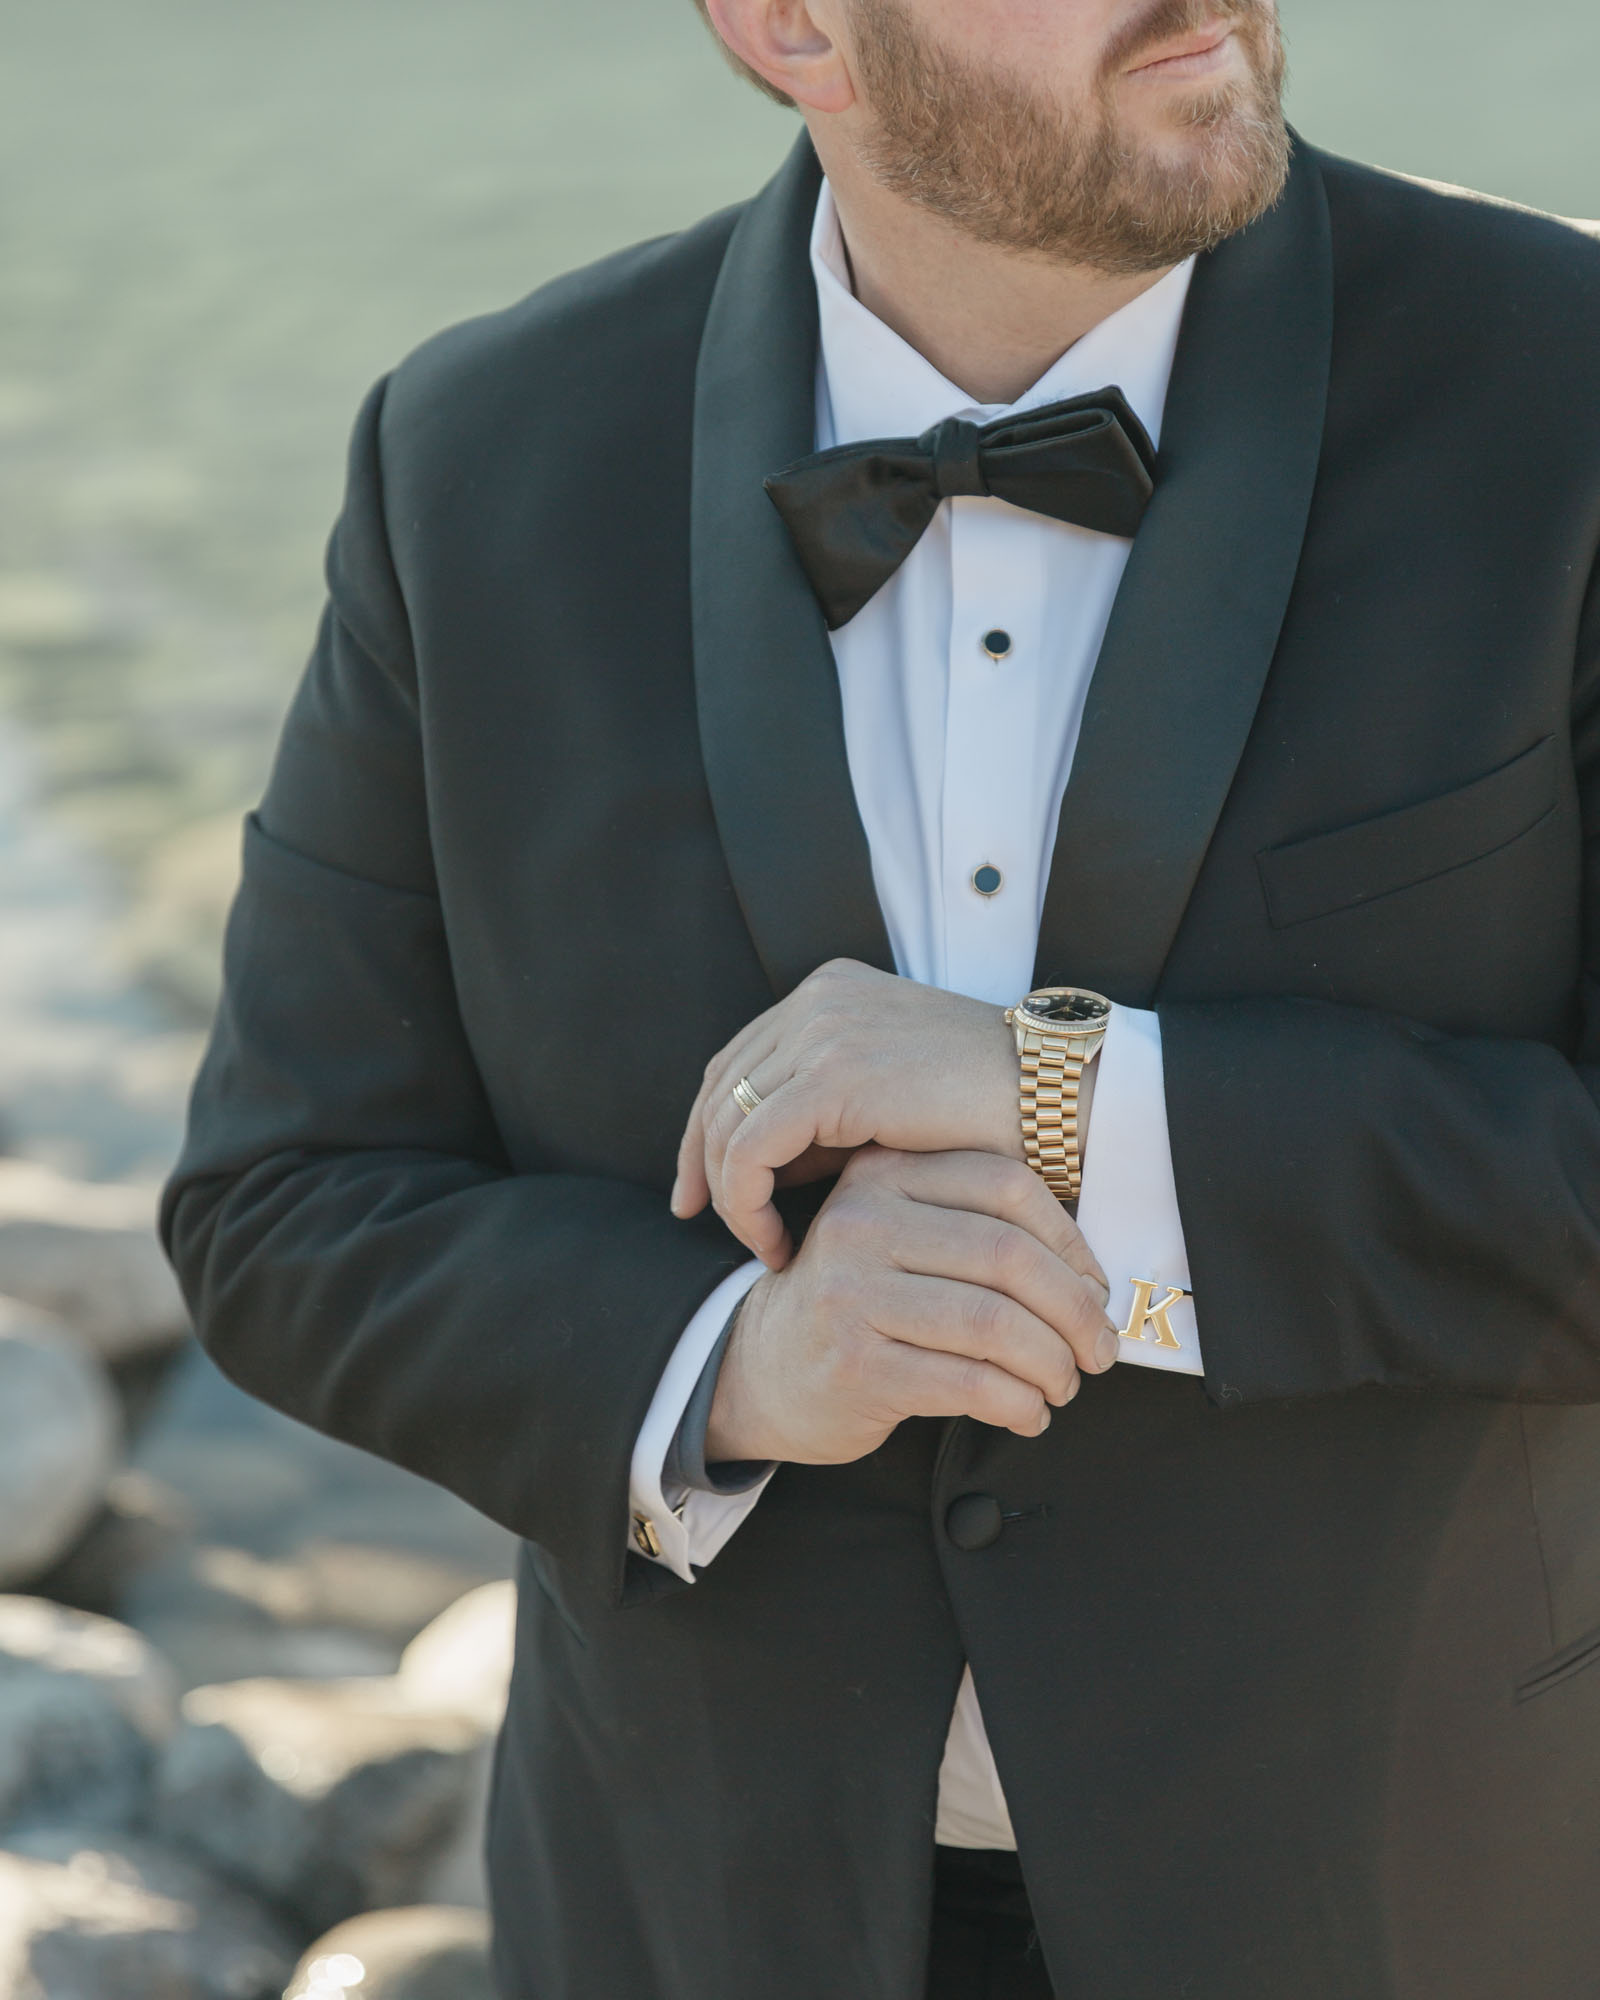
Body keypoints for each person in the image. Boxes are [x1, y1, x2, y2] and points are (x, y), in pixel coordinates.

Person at [161, 0, 1600, 1992]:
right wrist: (730, 1366)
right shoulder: (470, 456)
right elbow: (281, 1202)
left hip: (1407, 1897)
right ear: (792, 26)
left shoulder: (1566, 386)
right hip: (712, 1908)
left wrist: (1066, 1113)